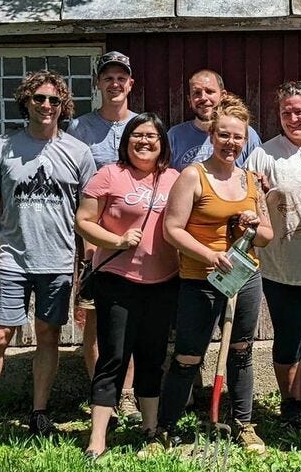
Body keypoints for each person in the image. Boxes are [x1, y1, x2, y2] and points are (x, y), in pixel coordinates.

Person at [0, 70, 96, 448]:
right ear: (26, 103)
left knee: (48, 336)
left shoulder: (79, 152)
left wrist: (88, 264)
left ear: (63, 106)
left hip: (59, 261)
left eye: (53, 100)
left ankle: (39, 413)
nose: (46, 106)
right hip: (14, 260)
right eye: (39, 99)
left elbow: (89, 214)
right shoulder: (3, 146)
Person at [154, 94, 273, 454]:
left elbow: (266, 236)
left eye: (238, 136)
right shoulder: (193, 176)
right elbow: (171, 229)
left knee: (241, 350)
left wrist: (252, 223)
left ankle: (243, 424)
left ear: (245, 139)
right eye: (224, 135)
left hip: (244, 278)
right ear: (212, 135)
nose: (230, 143)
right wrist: (210, 254)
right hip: (200, 279)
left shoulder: (251, 181)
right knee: (188, 355)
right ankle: (166, 428)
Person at [75, 113, 180, 462]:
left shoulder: (174, 179)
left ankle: (150, 430)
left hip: (163, 283)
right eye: (137, 135)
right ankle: (97, 438)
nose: (145, 141)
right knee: (113, 358)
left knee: (152, 358)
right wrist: (118, 240)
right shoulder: (109, 175)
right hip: (117, 282)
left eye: (152, 136)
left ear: (162, 143)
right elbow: (84, 222)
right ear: (126, 141)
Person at [245, 81, 301, 424]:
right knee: (288, 336)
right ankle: (290, 401)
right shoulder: (264, 155)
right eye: (286, 112)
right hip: (281, 263)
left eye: (299, 111)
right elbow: (246, 197)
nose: (293, 118)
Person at [67, 50, 142, 422]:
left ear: (131, 84)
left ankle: (127, 394)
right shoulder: (79, 129)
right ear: (98, 84)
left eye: (121, 77)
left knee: (128, 323)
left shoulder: (142, 127)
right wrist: (87, 242)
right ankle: (104, 396)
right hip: (94, 242)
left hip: (137, 244)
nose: (115, 83)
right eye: (107, 77)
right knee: (96, 322)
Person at [168, 69, 261, 171]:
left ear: (223, 96)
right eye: (197, 93)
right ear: (189, 100)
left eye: (209, 91)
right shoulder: (174, 136)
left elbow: (257, 177)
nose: (203, 97)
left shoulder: (244, 134)